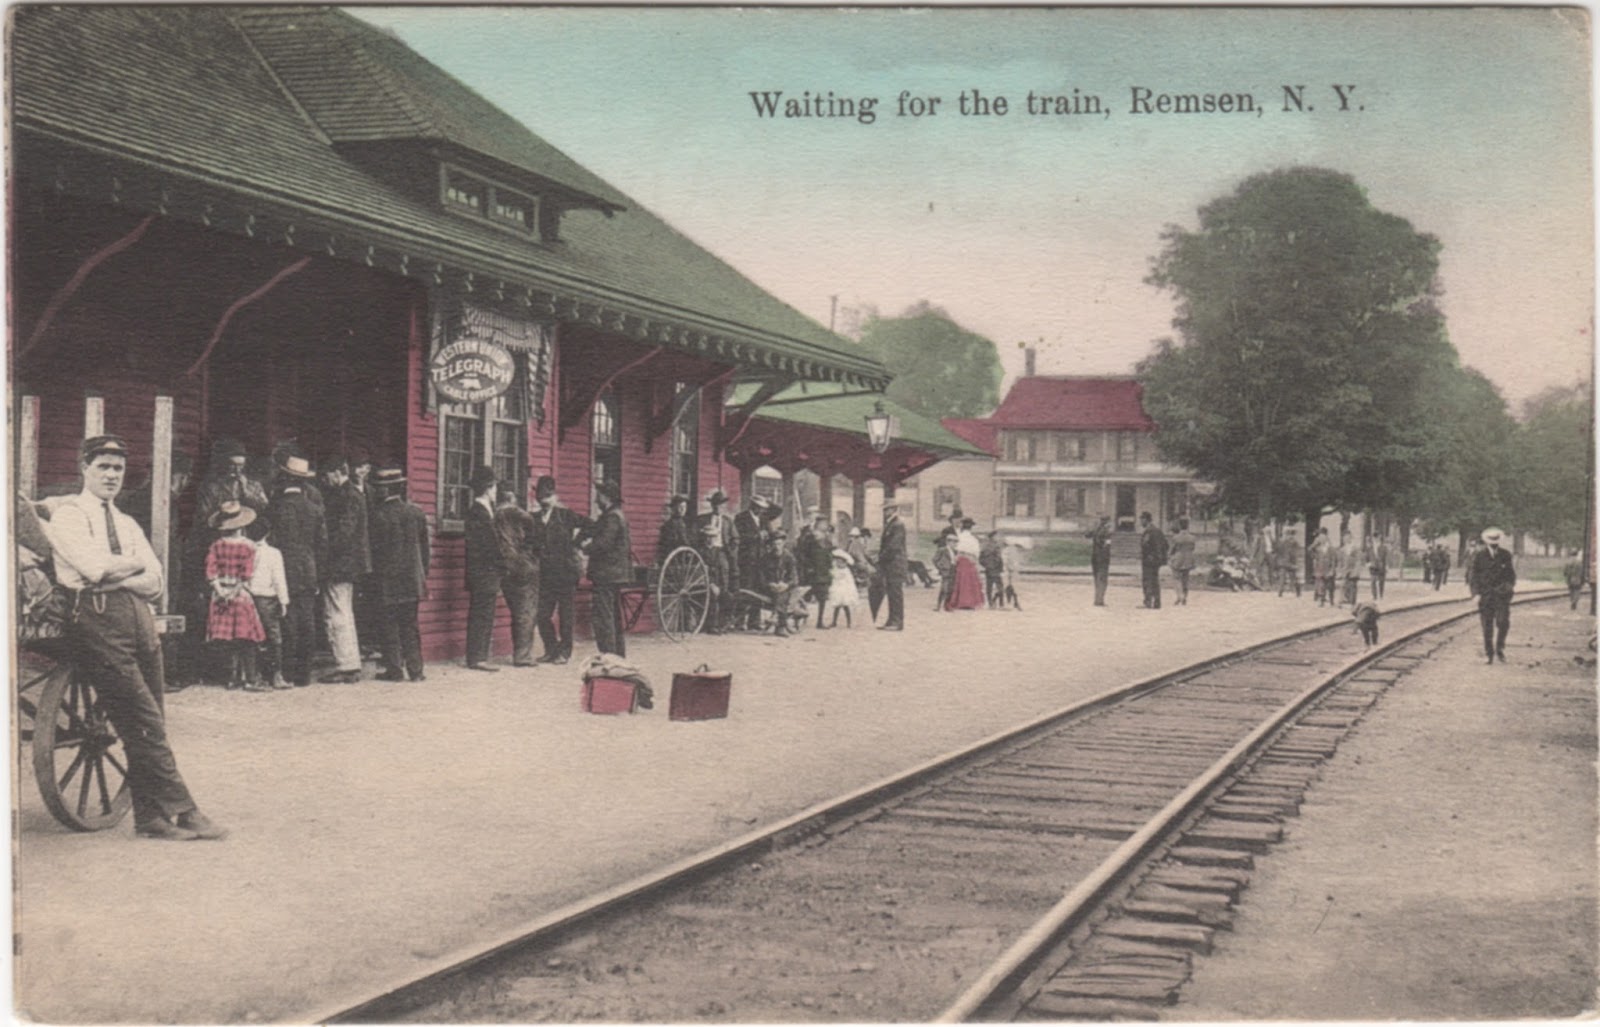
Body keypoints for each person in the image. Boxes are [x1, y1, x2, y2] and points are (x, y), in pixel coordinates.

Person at [49, 435, 226, 840]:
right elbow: (93, 569)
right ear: (84, 468)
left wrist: (121, 572)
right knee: (143, 717)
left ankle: (150, 818)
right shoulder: (69, 517)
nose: (112, 475)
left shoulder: (127, 522)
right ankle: (185, 810)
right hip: (97, 620)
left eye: (118, 468)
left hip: (139, 619)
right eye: (103, 467)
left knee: (152, 720)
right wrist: (130, 568)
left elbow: (156, 581)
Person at [368, 467, 431, 682]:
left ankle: (394, 670)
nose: (377, 492)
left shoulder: (378, 515)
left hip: (387, 580)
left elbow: (375, 552)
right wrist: (422, 574)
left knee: (389, 626)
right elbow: (425, 550)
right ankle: (416, 671)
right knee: (410, 626)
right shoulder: (416, 513)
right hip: (412, 580)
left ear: (386, 490)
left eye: (379, 488)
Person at [269, 455, 326, 687]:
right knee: (307, 621)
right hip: (308, 569)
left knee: (288, 621)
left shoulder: (277, 507)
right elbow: (322, 544)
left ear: (284, 478)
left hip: (284, 568)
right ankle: (304, 674)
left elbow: (272, 539)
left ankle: (288, 672)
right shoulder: (314, 509)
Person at [317, 456, 370, 683]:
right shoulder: (353, 494)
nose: (325, 479)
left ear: (338, 472)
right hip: (348, 563)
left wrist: (323, 549)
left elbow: (344, 532)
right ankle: (350, 664)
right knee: (343, 611)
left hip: (340, 563)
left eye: (327, 474)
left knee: (337, 613)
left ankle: (346, 666)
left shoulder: (347, 496)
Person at [205, 501, 266, 690]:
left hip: (220, 596)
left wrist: (221, 591)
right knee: (246, 637)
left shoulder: (216, 545)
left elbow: (211, 571)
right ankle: (250, 678)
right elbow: (246, 574)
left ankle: (232, 678)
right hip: (240, 595)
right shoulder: (249, 546)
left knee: (227, 638)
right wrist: (233, 592)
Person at [530, 475, 583, 665]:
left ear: (554, 496)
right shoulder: (535, 518)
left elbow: (590, 526)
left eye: (547, 497)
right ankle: (551, 649)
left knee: (566, 615)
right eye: (540, 498)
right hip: (546, 574)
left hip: (565, 573)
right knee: (542, 614)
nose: (543, 502)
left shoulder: (566, 515)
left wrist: (575, 543)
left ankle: (565, 652)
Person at [583, 479, 632, 657]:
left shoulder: (612, 517)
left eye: (599, 496)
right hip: (613, 574)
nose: (596, 500)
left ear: (607, 497)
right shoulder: (614, 515)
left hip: (606, 575)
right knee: (613, 616)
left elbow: (603, 543)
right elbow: (597, 529)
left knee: (604, 617)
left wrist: (586, 547)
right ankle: (617, 655)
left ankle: (608, 655)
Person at [494, 479, 540, 667]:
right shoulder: (514, 511)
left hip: (504, 565)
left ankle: (519, 653)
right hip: (521, 564)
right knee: (526, 611)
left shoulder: (494, 513)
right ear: (511, 495)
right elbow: (532, 523)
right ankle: (523, 655)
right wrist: (529, 550)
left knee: (516, 610)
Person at [463, 465, 504, 671]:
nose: (496, 491)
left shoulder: (486, 510)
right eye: (494, 486)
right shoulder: (478, 512)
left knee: (485, 613)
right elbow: (489, 545)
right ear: (488, 488)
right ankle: (476, 657)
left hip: (486, 571)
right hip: (483, 571)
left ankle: (480, 656)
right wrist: (503, 561)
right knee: (482, 613)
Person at [245, 518, 291, 690]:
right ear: (268, 533)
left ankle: (253, 676)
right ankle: (276, 676)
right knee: (274, 636)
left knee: (251, 636)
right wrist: (283, 601)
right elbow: (279, 579)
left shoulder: (245, 551)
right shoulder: (274, 553)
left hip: (249, 598)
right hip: (268, 600)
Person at [1467, 527, 1516, 664]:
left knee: (1503, 623)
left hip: (1502, 596)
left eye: (1496, 541)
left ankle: (1500, 648)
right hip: (1485, 596)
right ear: (1487, 541)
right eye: (1491, 541)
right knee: (1487, 626)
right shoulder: (1479, 556)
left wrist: (1507, 589)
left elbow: (1511, 576)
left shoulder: (1505, 555)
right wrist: (1475, 594)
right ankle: (1489, 653)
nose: (1494, 543)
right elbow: (1473, 577)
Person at [696, 489, 739, 633]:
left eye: (720, 505)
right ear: (712, 505)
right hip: (706, 552)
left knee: (724, 587)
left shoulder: (728, 522)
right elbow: (695, 537)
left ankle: (722, 623)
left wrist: (730, 551)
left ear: (723, 506)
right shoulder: (702, 520)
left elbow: (735, 539)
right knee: (712, 587)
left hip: (722, 553)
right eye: (715, 505)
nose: (718, 508)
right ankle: (710, 624)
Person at [734, 495, 771, 631]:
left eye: (762, 508)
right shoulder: (741, 518)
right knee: (746, 590)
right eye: (759, 508)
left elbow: (769, 534)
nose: (761, 510)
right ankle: (739, 621)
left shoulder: (764, 519)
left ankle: (754, 622)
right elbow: (738, 537)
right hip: (747, 560)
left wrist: (768, 536)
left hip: (761, 560)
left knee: (758, 590)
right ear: (753, 506)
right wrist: (756, 536)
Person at [760, 527, 799, 637]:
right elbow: (761, 576)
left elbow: (794, 578)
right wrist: (769, 584)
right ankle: (781, 624)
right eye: (774, 544)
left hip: (786, 588)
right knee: (778, 593)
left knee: (782, 593)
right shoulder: (766, 558)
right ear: (771, 545)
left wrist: (786, 585)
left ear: (783, 544)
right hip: (770, 587)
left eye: (779, 544)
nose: (777, 547)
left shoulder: (789, 558)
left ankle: (777, 618)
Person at [876, 501, 908, 630]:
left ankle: (897, 622)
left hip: (895, 563)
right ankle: (891, 620)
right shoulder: (891, 524)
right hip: (890, 564)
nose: (884, 512)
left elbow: (893, 546)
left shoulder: (897, 524)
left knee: (895, 594)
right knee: (891, 592)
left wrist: (881, 558)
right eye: (884, 509)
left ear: (894, 509)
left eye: (887, 509)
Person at [945, 518, 985, 610]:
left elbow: (955, 549)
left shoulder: (959, 537)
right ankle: (970, 602)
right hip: (970, 560)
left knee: (960, 580)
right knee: (970, 581)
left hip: (960, 560)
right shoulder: (973, 539)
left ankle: (958, 601)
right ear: (971, 528)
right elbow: (976, 552)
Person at [824, 548, 860, 628]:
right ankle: (834, 622)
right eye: (837, 561)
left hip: (843, 589)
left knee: (845, 606)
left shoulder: (845, 571)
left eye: (840, 562)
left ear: (844, 563)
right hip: (837, 588)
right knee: (836, 606)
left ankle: (849, 622)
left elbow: (842, 578)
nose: (838, 563)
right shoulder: (836, 569)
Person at [1139, 512, 1168, 609]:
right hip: (1156, 561)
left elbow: (1146, 545)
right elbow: (1166, 545)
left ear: (1146, 520)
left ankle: (1148, 602)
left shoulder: (1149, 531)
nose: (1140, 522)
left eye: (1142, 520)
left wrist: (1151, 555)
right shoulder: (1158, 531)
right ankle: (1157, 602)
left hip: (1149, 560)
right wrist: (1161, 557)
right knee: (1155, 581)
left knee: (1148, 580)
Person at [1167, 517, 1197, 606]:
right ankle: (1185, 596)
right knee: (1185, 578)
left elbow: (1172, 549)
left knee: (1176, 578)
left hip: (1178, 558)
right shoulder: (1192, 537)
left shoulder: (1176, 537)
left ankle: (1180, 596)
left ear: (1180, 526)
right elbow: (1193, 548)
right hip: (1188, 558)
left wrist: (1169, 556)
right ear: (1188, 526)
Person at [656, 494, 694, 564]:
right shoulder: (671, 524)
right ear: (674, 508)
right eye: (680, 507)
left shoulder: (683, 522)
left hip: (680, 555)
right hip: (676, 557)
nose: (683, 509)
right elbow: (681, 541)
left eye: (684, 507)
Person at [1087, 514, 1112, 607]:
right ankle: (1099, 600)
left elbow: (1087, 535)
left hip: (1095, 556)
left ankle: (1097, 599)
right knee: (1102, 579)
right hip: (1102, 558)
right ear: (1107, 521)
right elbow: (1107, 545)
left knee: (1097, 578)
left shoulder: (1096, 530)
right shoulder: (1107, 532)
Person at [1310, 527, 1337, 606]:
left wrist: (1332, 570)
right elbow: (1311, 550)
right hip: (1321, 568)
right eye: (1321, 537)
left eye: (1324, 537)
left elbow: (1334, 560)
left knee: (1330, 586)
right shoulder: (1318, 549)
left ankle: (1331, 600)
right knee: (1321, 585)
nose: (1322, 539)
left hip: (1329, 569)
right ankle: (1321, 600)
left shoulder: (1331, 548)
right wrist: (1314, 557)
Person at [931, 528, 956, 611]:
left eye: (955, 542)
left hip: (953, 569)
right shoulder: (942, 550)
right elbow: (934, 559)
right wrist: (940, 568)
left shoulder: (955, 551)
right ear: (948, 542)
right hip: (946, 570)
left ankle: (947, 605)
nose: (954, 544)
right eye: (953, 542)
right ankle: (938, 605)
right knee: (944, 589)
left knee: (951, 589)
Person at [979, 531, 1005, 608]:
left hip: (988, 569)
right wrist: (998, 567)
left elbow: (981, 559)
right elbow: (999, 559)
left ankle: (991, 603)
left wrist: (986, 566)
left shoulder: (984, 546)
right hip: (995, 569)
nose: (998, 538)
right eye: (997, 536)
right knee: (1000, 586)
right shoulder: (996, 546)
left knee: (989, 587)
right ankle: (1001, 604)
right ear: (993, 537)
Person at [1276, 525, 1303, 598]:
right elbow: (1279, 551)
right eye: (1289, 534)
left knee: (1293, 578)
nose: (1290, 536)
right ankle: (1280, 592)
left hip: (1289, 563)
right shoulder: (1284, 542)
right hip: (1286, 562)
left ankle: (1297, 592)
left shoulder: (1293, 543)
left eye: (1291, 534)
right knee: (1284, 578)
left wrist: (1297, 562)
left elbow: (1297, 553)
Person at [1339, 532, 1362, 607]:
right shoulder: (1342, 549)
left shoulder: (1355, 548)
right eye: (1345, 538)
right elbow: (1341, 561)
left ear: (1351, 538)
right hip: (1345, 570)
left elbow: (1358, 560)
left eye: (1348, 538)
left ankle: (1352, 603)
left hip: (1353, 570)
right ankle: (1342, 601)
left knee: (1352, 586)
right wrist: (1340, 570)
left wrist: (1356, 571)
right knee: (1343, 585)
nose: (1346, 539)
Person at [1367, 535, 1390, 600]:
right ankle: (1374, 596)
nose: (1375, 540)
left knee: (1381, 581)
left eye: (1377, 538)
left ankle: (1381, 595)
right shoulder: (1370, 548)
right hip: (1373, 567)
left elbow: (1386, 557)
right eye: (1374, 538)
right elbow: (1367, 557)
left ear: (1379, 539)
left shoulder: (1384, 548)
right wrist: (1368, 563)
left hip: (1381, 566)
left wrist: (1387, 565)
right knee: (1373, 581)